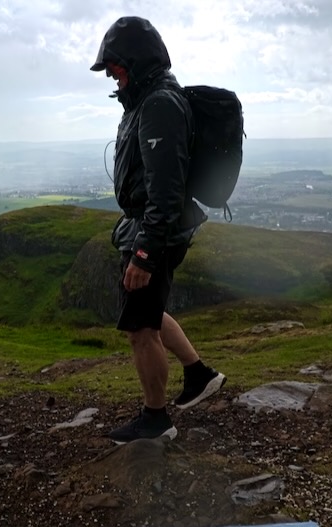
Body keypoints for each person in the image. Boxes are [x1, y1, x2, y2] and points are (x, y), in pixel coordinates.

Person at [90, 16, 226, 444]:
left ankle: (156, 419)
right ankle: (199, 373)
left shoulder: (159, 105)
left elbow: (165, 189)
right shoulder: (146, 100)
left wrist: (145, 254)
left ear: (136, 60)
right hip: (150, 226)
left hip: (157, 231)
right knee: (146, 311)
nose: (111, 75)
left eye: (115, 66)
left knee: (140, 328)